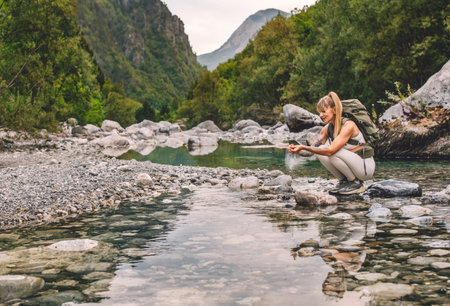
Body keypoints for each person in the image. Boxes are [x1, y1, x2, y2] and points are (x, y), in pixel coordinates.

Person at [288, 92, 375, 195]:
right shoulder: (327, 129)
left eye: (324, 111)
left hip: (365, 168)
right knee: (321, 150)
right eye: (319, 112)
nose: (320, 115)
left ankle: (355, 183)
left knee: (331, 151)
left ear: (334, 110)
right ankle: (345, 181)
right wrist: (298, 150)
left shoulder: (348, 125)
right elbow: (312, 151)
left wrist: (303, 147)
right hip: (353, 166)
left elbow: (330, 151)